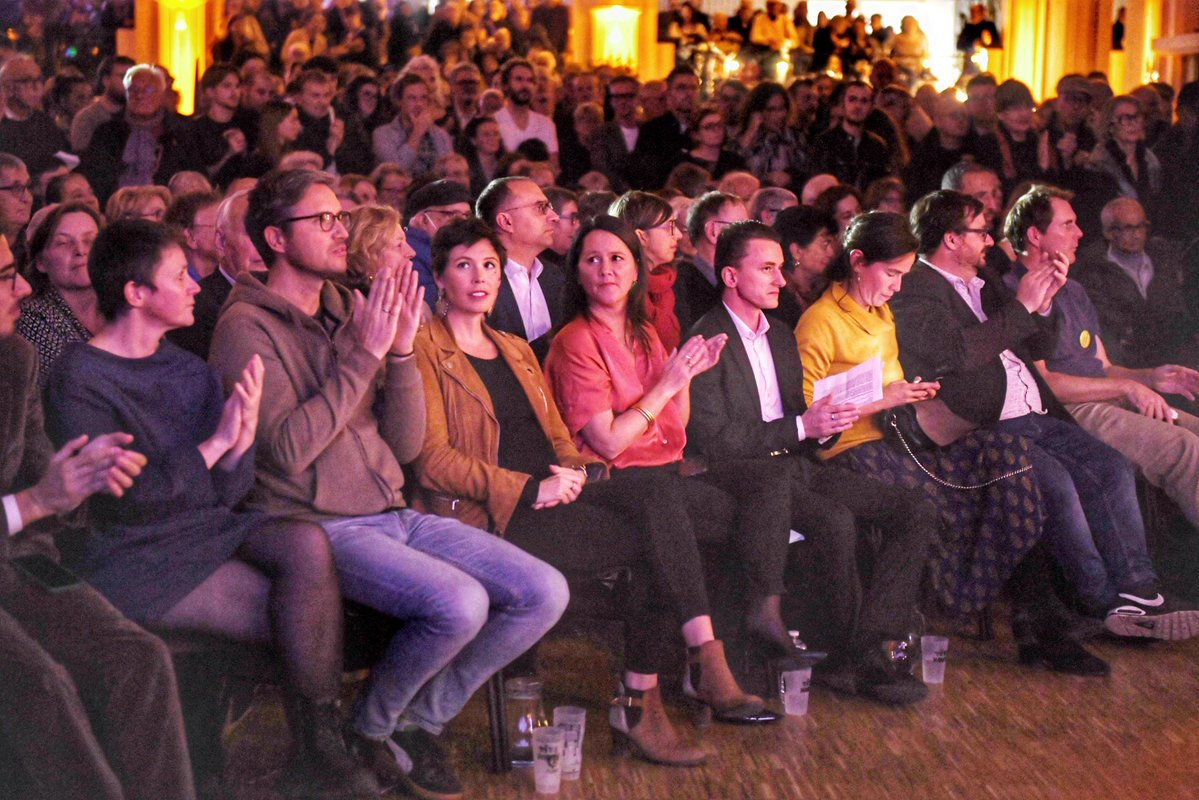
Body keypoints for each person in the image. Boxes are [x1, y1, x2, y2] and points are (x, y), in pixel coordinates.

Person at [208, 169, 566, 798]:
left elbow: (401, 446)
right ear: (275, 238)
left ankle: (406, 724)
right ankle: (371, 730)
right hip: (317, 525)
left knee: (543, 591)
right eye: (321, 221)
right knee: (460, 603)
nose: (339, 229)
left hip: (390, 509)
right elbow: (287, 452)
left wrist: (399, 354)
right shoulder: (245, 327)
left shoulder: (347, 307)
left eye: (339, 216)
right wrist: (366, 357)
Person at [413, 216, 774, 765]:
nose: (480, 277)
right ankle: (653, 690)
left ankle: (679, 671)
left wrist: (571, 470)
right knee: (661, 527)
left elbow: (559, 434)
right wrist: (532, 486)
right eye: (464, 265)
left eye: (489, 264)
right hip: (499, 512)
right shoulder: (423, 350)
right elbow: (434, 461)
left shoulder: (510, 346)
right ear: (439, 276)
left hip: (565, 489)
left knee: (662, 507)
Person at [42, 219, 379, 799]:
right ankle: (289, 754)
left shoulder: (188, 370)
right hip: (131, 550)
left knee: (304, 543)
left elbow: (226, 494)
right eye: (180, 275)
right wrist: (214, 445)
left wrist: (239, 442)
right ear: (135, 293)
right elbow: (124, 501)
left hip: (204, 528)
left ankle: (317, 749)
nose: (197, 284)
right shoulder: (82, 376)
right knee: (299, 620)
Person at [893, 189, 1199, 641]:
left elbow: (1035, 347)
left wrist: (1046, 302)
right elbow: (956, 354)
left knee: (1109, 464)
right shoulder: (919, 287)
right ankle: (1102, 605)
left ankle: (1141, 593)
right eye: (980, 232)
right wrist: (1022, 306)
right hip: (985, 421)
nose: (990, 240)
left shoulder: (984, 280)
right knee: (1058, 487)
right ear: (952, 239)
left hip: (1033, 409)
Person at [688, 220, 935, 703]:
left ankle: (870, 644)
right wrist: (804, 427)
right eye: (767, 269)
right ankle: (853, 659)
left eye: (782, 268)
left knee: (915, 509)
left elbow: (805, 420)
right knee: (835, 521)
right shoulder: (707, 338)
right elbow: (716, 440)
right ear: (731, 277)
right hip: (744, 473)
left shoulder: (779, 335)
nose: (782, 280)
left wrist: (832, 417)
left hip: (795, 465)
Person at [0, 231, 194, 800]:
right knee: (41, 684)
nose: (26, 288)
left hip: (18, 560)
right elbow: (34, 499)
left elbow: (45, 481)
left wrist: (83, 478)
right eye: (7, 276)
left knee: (139, 657)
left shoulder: (15, 358)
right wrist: (36, 501)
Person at [1005, 188, 1199, 532]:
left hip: (1106, 393)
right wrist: (1126, 387)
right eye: (1068, 225)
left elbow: (1104, 366)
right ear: (1035, 236)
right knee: (1184, 449)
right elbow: (1044, 385)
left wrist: (1151, 377)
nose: (1080, 233)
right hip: (1070, 408)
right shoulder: (1012, 294)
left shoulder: (1074, 290)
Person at [1073, 197, 1195, 367]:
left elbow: (1181, 313)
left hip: (1179, 355)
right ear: (1108, 232)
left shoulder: (1166, 261)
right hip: (1129, 362)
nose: (1137, 234)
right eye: (1129, 228)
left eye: (1141, 226)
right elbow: (1108, 329)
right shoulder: (1093, 273)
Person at [476, 176, 565, 361]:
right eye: (541, 208)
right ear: (506, 221)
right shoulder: (478, 282)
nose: (554, 217)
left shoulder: (555, 277)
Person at [167, 189, 263, 360]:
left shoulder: (292, 296)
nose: (264, 244)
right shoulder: (198, 308)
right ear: (221, 241)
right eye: (250, 233)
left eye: (270, 232)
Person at [16, 203, 104, 386]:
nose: (80, 251)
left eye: (90, 241)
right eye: (63, 243)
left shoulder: (123, 303)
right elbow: (76, 386)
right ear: (40, 261)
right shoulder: (34, 318)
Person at [79, 64, 187, 204]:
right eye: (133, 89)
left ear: (162, 93)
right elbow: (96, 178)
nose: (140, 95)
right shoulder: (107, 132)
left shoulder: (180, 132)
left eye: (148, 89)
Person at [611, 191, 683, 352]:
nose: (678, 235)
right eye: (669, 227)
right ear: (641, 237)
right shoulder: (620, 292)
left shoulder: (669, 280)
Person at [676, 190, 748, 331]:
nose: (748, 236)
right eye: (742, 226)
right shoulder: (682, 285)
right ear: (713, 232)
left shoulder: (732, 281)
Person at [812, 81, 893, 191]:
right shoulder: (824, 142)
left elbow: (882, 186)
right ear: (843, 104)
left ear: (871, 107)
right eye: (852, 99)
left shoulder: (877, 145)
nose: (858, 106)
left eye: (864, 101)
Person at [373, 74, 455, 182]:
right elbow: (397, 172)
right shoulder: (383, 134)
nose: (419, 104)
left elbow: (450, 173)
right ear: (399, 101)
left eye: (423, 98)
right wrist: (417, 133)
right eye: (412, 98)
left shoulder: (441, 135)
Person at [629, 66, 701, 191]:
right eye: (681, 88)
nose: (689, 93)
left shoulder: (704, 126)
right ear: (669, 93)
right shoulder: (652, 131)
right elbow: (645, 174)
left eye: (693, 88)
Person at [772, 204, 835, 328]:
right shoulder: (776, 299)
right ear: (797, 251)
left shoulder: (828, 290)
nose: (831, 252)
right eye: (825, 243)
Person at [493, 58, 559, 171]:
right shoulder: (494, 121)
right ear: (505, 85)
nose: (525, 85)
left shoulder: (546, 124)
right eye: (519, 79)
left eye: (530, 80)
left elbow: (553, 167)